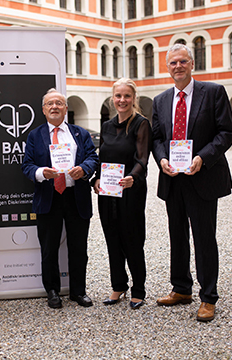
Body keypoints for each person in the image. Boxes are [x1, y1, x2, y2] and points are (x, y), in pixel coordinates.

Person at [152, 44, 232, 322]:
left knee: (203, 238)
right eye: (173, 63)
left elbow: (226, 132)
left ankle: (208, 297)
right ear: (167, 67)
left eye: (183, 61)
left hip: (202, 176)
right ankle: (181, 288)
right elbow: (156, 138)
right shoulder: (161, 100)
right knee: (177, 236)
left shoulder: (212, 93)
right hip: (173, 179)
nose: (178, 66)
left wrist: (202, 157)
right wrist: (162, 159)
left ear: (192, 64)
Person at [22, 88, 99, 309]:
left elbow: (93, 158)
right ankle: (52, 291)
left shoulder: (80, 133)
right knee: (49, 248)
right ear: (44, 110)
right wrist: (41, 173)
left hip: (76, 197)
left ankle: (78, 291)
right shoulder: (35, 136)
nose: (54, 106)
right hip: (49, 197)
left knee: (78, 248)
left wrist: (83, 169)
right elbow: (27, 165)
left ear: (66, 108)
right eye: (50, 104)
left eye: (59, 103)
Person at [91, 78, 152, 309]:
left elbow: (143, 158)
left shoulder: (141, 124)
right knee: (112, 239)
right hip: (108, 192)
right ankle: (118, 286)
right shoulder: (107, 126)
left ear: (133, 98)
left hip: (130, 190)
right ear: (112, 98)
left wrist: (133, 177)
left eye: (127, 96)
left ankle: (138, 290)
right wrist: (95, 179)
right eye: (118, 96)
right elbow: (102, 158)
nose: (122, 100)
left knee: (133, 240)